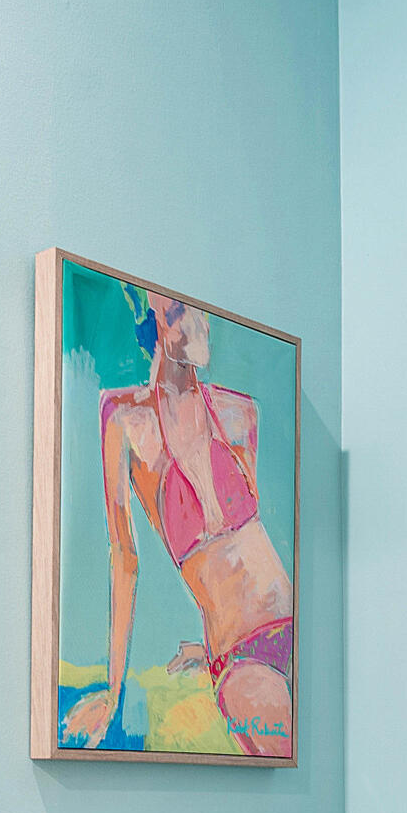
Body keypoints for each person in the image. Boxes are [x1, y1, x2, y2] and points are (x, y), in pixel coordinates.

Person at [62, 289, 295, 756]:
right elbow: (125, 562)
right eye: (179, 312)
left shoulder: (239, 413)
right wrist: (113, 692)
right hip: (243, 657)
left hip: (294, 623)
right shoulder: (124, 421)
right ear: (154, 322)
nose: (198, 324)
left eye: (201, 314)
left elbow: (246, 548)